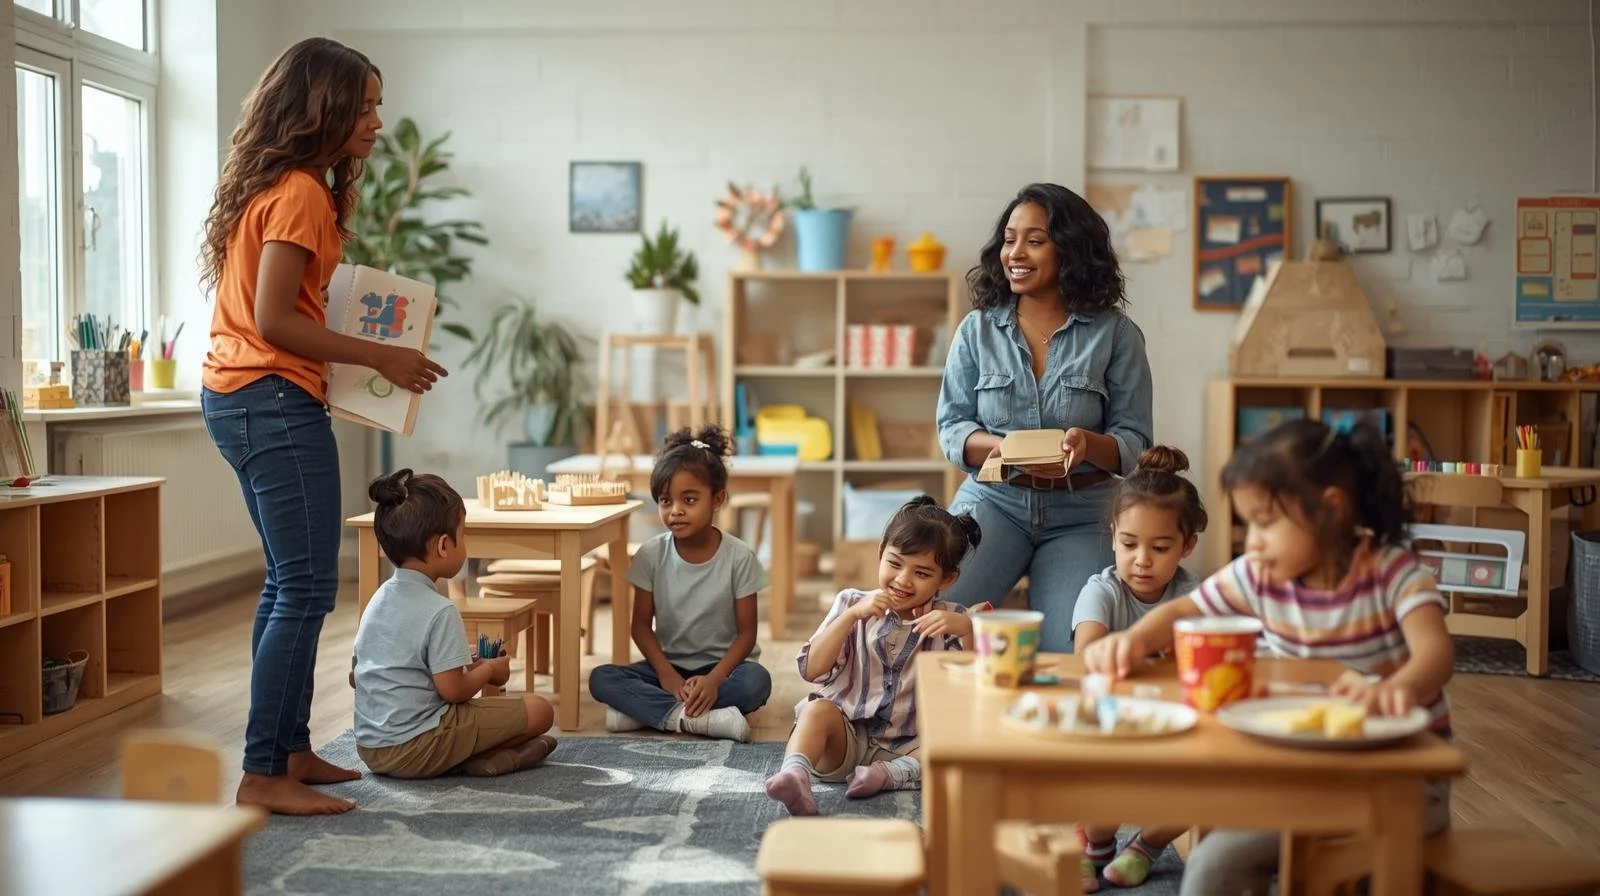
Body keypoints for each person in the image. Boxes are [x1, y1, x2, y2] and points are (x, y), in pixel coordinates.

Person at [198, 37, 447, 815]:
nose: (377, 121)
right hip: (268, 396)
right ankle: (263, 771)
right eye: (365, 105)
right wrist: (387, 358)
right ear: (324, 108)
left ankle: (289, 751)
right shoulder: (301, 190)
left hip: (245, 395)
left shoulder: (282, 185)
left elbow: (285, 312)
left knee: (289, 586)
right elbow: (274, 320)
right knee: (304, 587)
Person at [1081, 418, 1454, 896]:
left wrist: (1395, 689)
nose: (1251, 541)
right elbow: (1184, 609)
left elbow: (1436, 653)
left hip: (1399, 785)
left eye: (1264, 522)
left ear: (1329, 512)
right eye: (1246, 524)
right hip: (1299, 779)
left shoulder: (1392, 572)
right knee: (1211, 868)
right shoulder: (1260, 575)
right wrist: (1133, 641)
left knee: (1357, 876)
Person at [936, 182, 1154, 652]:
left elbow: (1135, 442)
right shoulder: (976, 330)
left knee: (1067, 653)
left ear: (1071, 251)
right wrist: (999, 448)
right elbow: (951, 428)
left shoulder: (1116, 335)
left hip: (1084, 513)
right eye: (1010, 239)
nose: (1016, 253)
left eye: (1034, 241)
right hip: (994, 502)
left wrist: (1086, 445)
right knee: (929, 622)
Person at [764, 496, 982, 817]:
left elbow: (977, 692)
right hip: (846, 740)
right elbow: (812, 670)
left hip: (911, 749)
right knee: (815, 710)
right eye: (894, 564)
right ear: (880, 552)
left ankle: (886, 776)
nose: (903, 579)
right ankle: (795, 775)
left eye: (922, 573)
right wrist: (851, 617)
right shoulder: (852, 602)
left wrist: (967, 630)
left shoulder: (954, 621)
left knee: (959, 743)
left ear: (946, 579)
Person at [352, 471, 557, 779]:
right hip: (417, 747)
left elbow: (358, 677)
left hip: (371, 750)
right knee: (541, 710)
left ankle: (480, 757)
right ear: (444, 546)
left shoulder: (378, 600)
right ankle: (478, 759)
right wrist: (490, 670)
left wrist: (459, 657)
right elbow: (455, 692)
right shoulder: (440, 610)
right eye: (464, 535)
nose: (466, 545)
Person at [1070, 446, 1206, 891]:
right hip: (1111, 725)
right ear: (1112, 536)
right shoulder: (1101, 591)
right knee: (1101, 795)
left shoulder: (1194, 596)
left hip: (1176, 726)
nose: (1142, 559)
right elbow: (1088, 654)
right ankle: (1094, 842)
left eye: (1160, 547)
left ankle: (1146, 846)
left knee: (1211, 789)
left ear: (1188, 546)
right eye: (1129, 544)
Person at [588, 425, 773, 742]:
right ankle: (695, 719)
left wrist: (714, 680)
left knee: (757, 682)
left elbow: (747, 634)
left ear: (717, 499)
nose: (675, 511)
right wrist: (667, 676)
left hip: (725, 669)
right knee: (600, 678)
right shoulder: (651, 554)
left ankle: (646, 712)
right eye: (664, 501)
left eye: (689, 499)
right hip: (667, 667)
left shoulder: (739, 557)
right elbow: (641, 627)